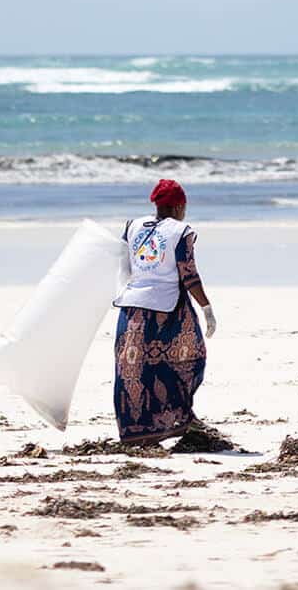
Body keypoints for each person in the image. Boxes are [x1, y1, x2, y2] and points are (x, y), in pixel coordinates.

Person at [111, 179, 219, 445]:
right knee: (190, 359)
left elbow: (121, 266)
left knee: (133, 371)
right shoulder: (181, 231)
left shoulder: (132, 225)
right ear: (179, 206)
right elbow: (188, 274)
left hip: (131, 310)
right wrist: (206, 308)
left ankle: (137, 432)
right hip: (165, 310)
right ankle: (177, 419)